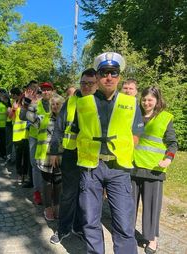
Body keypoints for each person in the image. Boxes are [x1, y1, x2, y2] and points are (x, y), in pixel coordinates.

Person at [74, 52, 144, 254]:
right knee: (90, 220)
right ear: (97, 76)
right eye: (104, 72)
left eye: (114, 72)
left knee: (123, 222)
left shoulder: (130, 103)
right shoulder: (83, 102)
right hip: (90, 168)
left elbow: (135, 136)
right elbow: (78, 132)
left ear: (119, 76)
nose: (109, 77)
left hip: (118, 169)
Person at [49, 68, 98, 244]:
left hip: (92, 155)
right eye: (83, 82)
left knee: (86, 195)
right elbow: (59, 128)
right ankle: (63, 229)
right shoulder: (70, 101)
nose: (86, 86)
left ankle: (79, 227)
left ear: (96, 83)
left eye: (90, 83)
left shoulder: (99, 101)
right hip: (71, 154)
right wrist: (54, 151)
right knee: (68, 194)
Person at [131, 86, 177, 254]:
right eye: (144, 99)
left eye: (150, 100)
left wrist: (168, 158)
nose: (146, 102)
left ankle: (152, 239)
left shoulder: (165, 118)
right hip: (134, 166)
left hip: (154, 169)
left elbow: (172, 143)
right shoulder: (135, 116)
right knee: (130, 205)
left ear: (157, 100)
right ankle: (128, 234)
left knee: (151, 207)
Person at [20, 81, 54, 205]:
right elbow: (22, 116)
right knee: (35, 166)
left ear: (52, 91)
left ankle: (50, 190)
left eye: (47, 89)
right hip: (35, 138)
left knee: (50, 165)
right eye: (42, 90)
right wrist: (27, 102)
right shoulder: (35, 103)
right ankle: (37, 192)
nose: (44, 92)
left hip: (50, 138)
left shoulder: (56, 102)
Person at [35, 94, 65, 221]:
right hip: (45, 157)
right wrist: (30, 103)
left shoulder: (65, 119)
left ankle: (57, 206)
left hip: (60, 157)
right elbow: (29, 118)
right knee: (47, 183)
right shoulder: (44, 118)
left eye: (58, 104)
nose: (55, 106)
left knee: (58, 183)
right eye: (53, 104)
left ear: (62, 105)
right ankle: (48, 208)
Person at [8, 87, 30, 184]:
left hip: (26, 134)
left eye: (12, 95)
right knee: (18, 155)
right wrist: (13, 110)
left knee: (26, 156)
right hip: (17, 134)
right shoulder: (14, 103)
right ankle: (19, 174)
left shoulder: (26, 103)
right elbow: (11, 118)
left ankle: (25, 174)